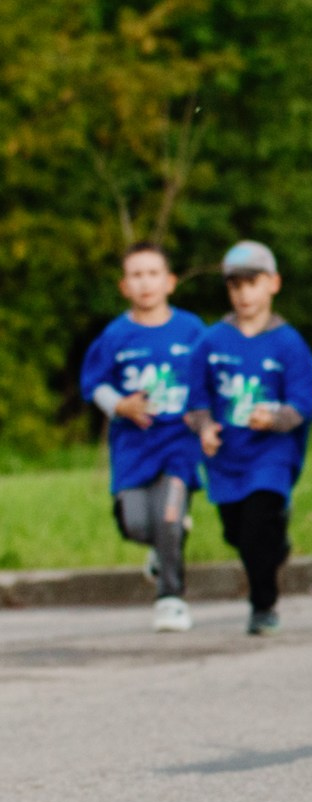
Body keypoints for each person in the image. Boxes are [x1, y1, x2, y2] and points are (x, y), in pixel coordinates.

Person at [191, 241, 312, 635]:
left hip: (271, 455)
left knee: (256, 526)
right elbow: (194, 399)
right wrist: (205, 427)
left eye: (252, 283)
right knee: (237, 532)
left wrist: (275, 418)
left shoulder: (289, 343)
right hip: (227, 457)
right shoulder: (211, 341)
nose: (244, 294)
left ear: (273, 284)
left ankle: (263, 606)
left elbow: (303, 403)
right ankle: (277, 544)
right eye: (235, 286)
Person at [79, 243, 207, 632]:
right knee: (135, 523)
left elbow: (209, 378)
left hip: (178, 442)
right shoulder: (116, 335)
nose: (145, 283)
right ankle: (161, 548)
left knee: (168, 515)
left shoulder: (191, 330)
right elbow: (94, 384)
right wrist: (120, 405)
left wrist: (205, 419)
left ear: (170, 282)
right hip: (133, 446)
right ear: (124, 286)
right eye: (136, 275)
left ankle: (171, 598)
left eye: (153, 274)